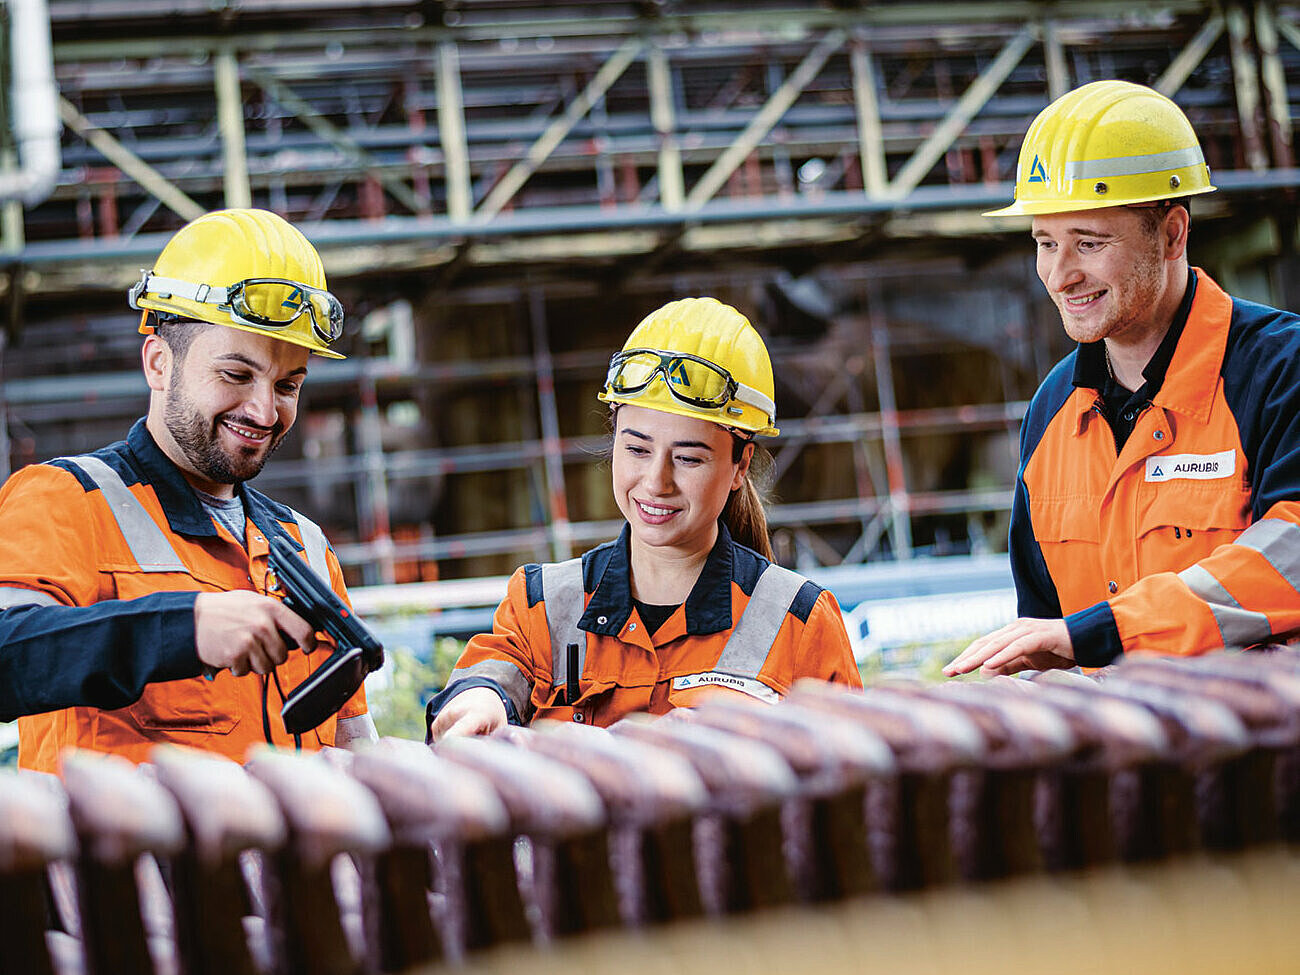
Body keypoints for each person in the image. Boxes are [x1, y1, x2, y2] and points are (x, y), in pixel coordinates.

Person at [0, 207, 377, 771]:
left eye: (288, 385)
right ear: (158, 362)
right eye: (236, 374)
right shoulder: (64, 502)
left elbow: (352, 742)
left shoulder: (306, 550)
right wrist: (186, 627)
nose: (263, 410)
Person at [945, 80, 1300, 678]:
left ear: (1171, 234)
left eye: (1089, 242)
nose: (1061, 276)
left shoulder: (1280, 370)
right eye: (1046, 243)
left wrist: (1102, 633)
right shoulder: (1053, 409)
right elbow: (1045, 625)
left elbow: (1291, 558)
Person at [428, 296, 861, 738]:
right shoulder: (542, 604)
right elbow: (493, 670)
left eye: (689, 459)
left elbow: (858, 783)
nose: (657, 482)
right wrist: (481, 697)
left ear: (740, 466)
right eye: (637, 449)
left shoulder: (799, 622)